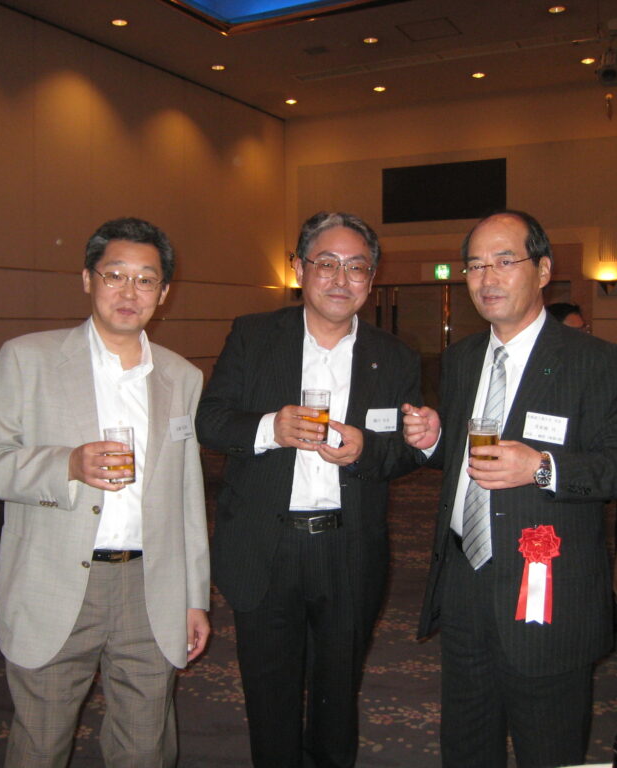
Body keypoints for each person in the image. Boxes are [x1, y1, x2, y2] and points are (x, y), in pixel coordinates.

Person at [403, 210, 617, 768]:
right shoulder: (462, 358)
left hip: (546, 589)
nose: (486, 278)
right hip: (465, 580)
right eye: (474, 265)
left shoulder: (590, 359)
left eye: (504, 261)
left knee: (548, 748)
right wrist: (437, 442)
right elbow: (466, 456)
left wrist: (541, 467)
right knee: (466, 744)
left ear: (543, 270)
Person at [0, 217, 210, 768]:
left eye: (145, 280)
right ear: (87, 279)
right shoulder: (27, 359)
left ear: (163, 293)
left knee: (145, 747)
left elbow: (187, 496)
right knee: (41, 744)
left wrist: (194, 595)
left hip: (150, 586)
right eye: (115, 275)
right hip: (55, 583)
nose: (130, 292)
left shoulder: (182, 377)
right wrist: (68, 465)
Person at [196, 211, 423, 767]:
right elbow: (211, 420)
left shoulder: (395, 356)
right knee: (269, 695)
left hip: (348, 548)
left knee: (337, 692)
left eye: (356, 267)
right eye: (326, 263)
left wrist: (366, 451)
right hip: (265, 546)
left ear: (371, 278)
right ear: (299, 269)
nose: (341, 279)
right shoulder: (254, 335)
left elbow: (409, 450)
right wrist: (269, 429)